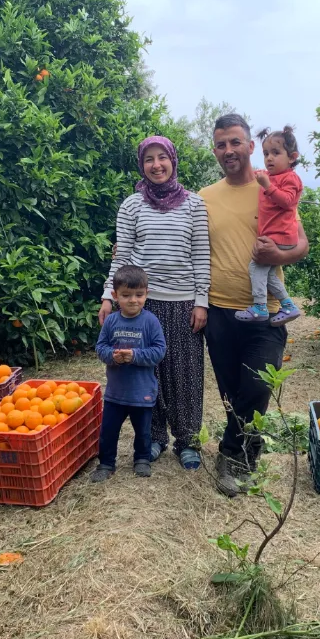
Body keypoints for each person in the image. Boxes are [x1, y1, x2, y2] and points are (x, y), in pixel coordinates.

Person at [199, 114, 309, 497]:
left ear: (249, 147)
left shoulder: (272, 185)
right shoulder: (204, 198)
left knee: (258, 385)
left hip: (265, 314)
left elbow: (301, 245)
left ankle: (238, 455)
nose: (228, 150)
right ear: (215, 150)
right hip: (218, 310)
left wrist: (279, 250)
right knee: (231, 391)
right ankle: (239, 449)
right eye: (221, 144)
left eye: (235, 142)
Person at [99, 135, 210, 470]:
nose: (157, 165)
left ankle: (188, 440)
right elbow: (123, 256)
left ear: (173, 161)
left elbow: (201, 255)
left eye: (163, 157)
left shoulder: (194, 205)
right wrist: (109, 295)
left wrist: (201, 301)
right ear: (141, 165)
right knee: (150, 371)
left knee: (186, 372)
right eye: (149, 159)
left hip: (183, 300)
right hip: (141, 304)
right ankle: (156, 437)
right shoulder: (132, 205)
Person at [92, 265, 167, 482]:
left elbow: (159, 352)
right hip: (116, 392)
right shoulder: (112, 321)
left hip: (142, 391)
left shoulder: (150, 321)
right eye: (126, 295)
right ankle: (106, 463)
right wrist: (112, 357)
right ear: (115, 296)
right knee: (108, 431)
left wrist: (134, 355)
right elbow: (101, 347)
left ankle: (142, 459)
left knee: (143, 430)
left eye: (139, 295)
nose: (133, 300)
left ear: (146, 294)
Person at [236, 126, 303, 325]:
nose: (269, 158)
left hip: (280, 236)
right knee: (268, 274)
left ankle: (259, 307)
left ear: (292, 157)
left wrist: (267, 185)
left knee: (255, 267)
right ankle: (289, 306)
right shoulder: (273, 177)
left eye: (276, 153)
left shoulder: (290, 178)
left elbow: (288, 201)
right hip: (274, 235)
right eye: (266, 154)